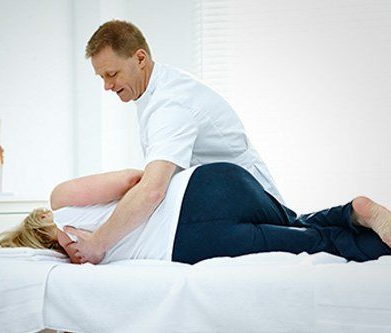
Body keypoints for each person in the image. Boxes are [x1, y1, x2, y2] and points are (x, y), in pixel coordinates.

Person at [74, 20, 284, 264]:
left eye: (112, 74)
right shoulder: (154, 93)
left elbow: (152, 190)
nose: (107, 86)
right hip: (229, 207)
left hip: (254, 207)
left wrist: (97, 243)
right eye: (101, 77)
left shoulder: (170, 104)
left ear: (140, 59)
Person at [0, 163, 391, 265]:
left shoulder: (75, 258)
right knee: (294, 223)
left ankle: (367, 230)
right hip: (210, 184)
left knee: (319, 244)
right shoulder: (61, 198)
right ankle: (353, 211)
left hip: (191, 241)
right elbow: (135, 179)